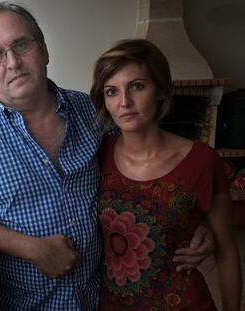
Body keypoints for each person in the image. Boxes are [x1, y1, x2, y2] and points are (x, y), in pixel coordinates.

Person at [0, 2, 214, 309]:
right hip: (26, 304)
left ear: (44, 51)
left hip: (102, 297)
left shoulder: (88, 111)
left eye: (21, 44)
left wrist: (193, 219)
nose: (12, 62)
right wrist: (32, 249)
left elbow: (137, 168)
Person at [91, 39, 242, 310]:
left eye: (137, 86)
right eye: (112, 91)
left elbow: (227, 251)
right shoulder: (96, 155)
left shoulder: (201, 161)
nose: (124, 102)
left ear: (160, 90)